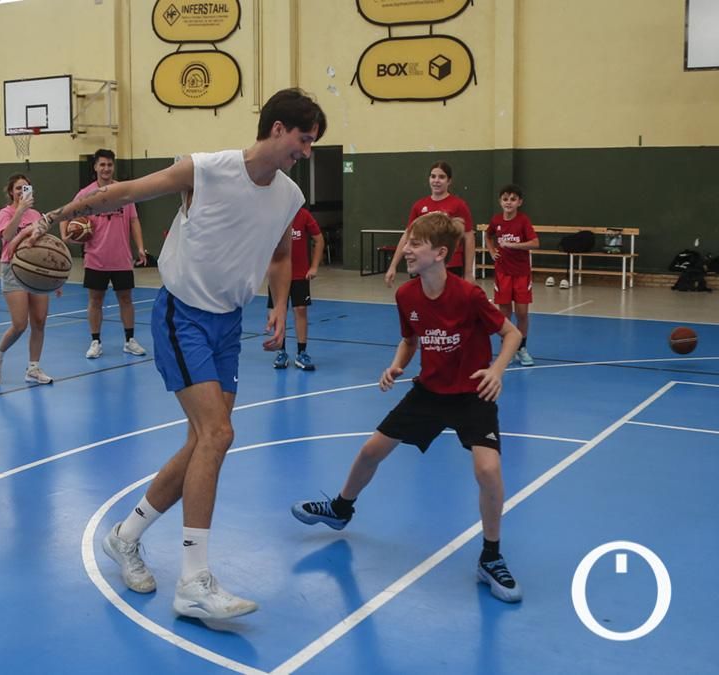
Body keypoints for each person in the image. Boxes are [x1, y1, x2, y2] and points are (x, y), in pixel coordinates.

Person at [35, 88, 325, 620]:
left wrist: (280, 304)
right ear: (278, 129)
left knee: (202, 442)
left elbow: (282, 253)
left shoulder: (288, 195)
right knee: (218, 434)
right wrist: (54, 215)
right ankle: (194, 580)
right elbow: (123, 192)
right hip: (181, 315)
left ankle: (126, 535)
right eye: (303, 141)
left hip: (227, 323)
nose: (305, 152)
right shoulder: (207, 169)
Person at [291, 211, 524, 603]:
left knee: (488, 469)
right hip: (430, 391)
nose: (406, 250)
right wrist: (397, 365)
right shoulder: (407, 295)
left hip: (471, 393)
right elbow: (410, 340)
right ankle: (340, 507)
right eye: (408, 242)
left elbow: (511, 332)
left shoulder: (468, 295)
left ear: (440, 253)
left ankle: (490, 556)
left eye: (415, 244)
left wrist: (497, 370)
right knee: (371, 451)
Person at [61, 149, 148, 359]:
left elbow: (134, 220)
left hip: (121, 258)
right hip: (96, 258)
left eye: (109, 165)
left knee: (126, 299)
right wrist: (65, 235)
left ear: (113, 166)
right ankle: (95, 341)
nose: (106, 168)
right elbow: (66, 213)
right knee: (95, 300)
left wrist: (139, 247)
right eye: (102, 165)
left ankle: (129, 340)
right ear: (95, 167)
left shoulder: (123, 191)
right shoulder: (86, 194)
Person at [0, 174, 58, 386]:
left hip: (36, 270)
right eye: (18, 188)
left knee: (39, 321)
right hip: (13, 268)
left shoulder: (36, 214)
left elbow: (45, 243)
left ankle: (33, 368)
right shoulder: (5, 213)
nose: (22, 191)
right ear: (11, 192)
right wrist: (20, 211)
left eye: (26, 188)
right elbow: (7, 237)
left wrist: (54, 276)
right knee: (19, 324)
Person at [384, 161, 475, 285]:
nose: (436, 180)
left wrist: (468, 273)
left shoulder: (459, 205)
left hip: (450, 264)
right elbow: (407, 235)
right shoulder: (419, 206)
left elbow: (469, 237)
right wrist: (393, 265)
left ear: (449, 181)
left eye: (441, 177)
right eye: (433, 176)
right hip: (422, 263)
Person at [486, 184, 538, 367]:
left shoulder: (523, 221)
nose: (509, 202)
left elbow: (535, 243)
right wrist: (492, 251)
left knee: (522, 313)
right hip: (503, 273)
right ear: (500, 201)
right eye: (505, 199)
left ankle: (521, 348)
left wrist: (514, 245)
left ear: (519, 202)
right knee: (504, 312)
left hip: (522, 274)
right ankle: (506, 349)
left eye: (513, 199)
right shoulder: (496, 220)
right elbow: (488, 234)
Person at [268, 206, 324, 370]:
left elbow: (319, 239)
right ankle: (281, 352)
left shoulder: (303, 215)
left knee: (300, 309)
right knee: (278, 312)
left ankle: (302, 352)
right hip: (278, 276)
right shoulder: (273, 215)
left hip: (300, 275)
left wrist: (314, 267)